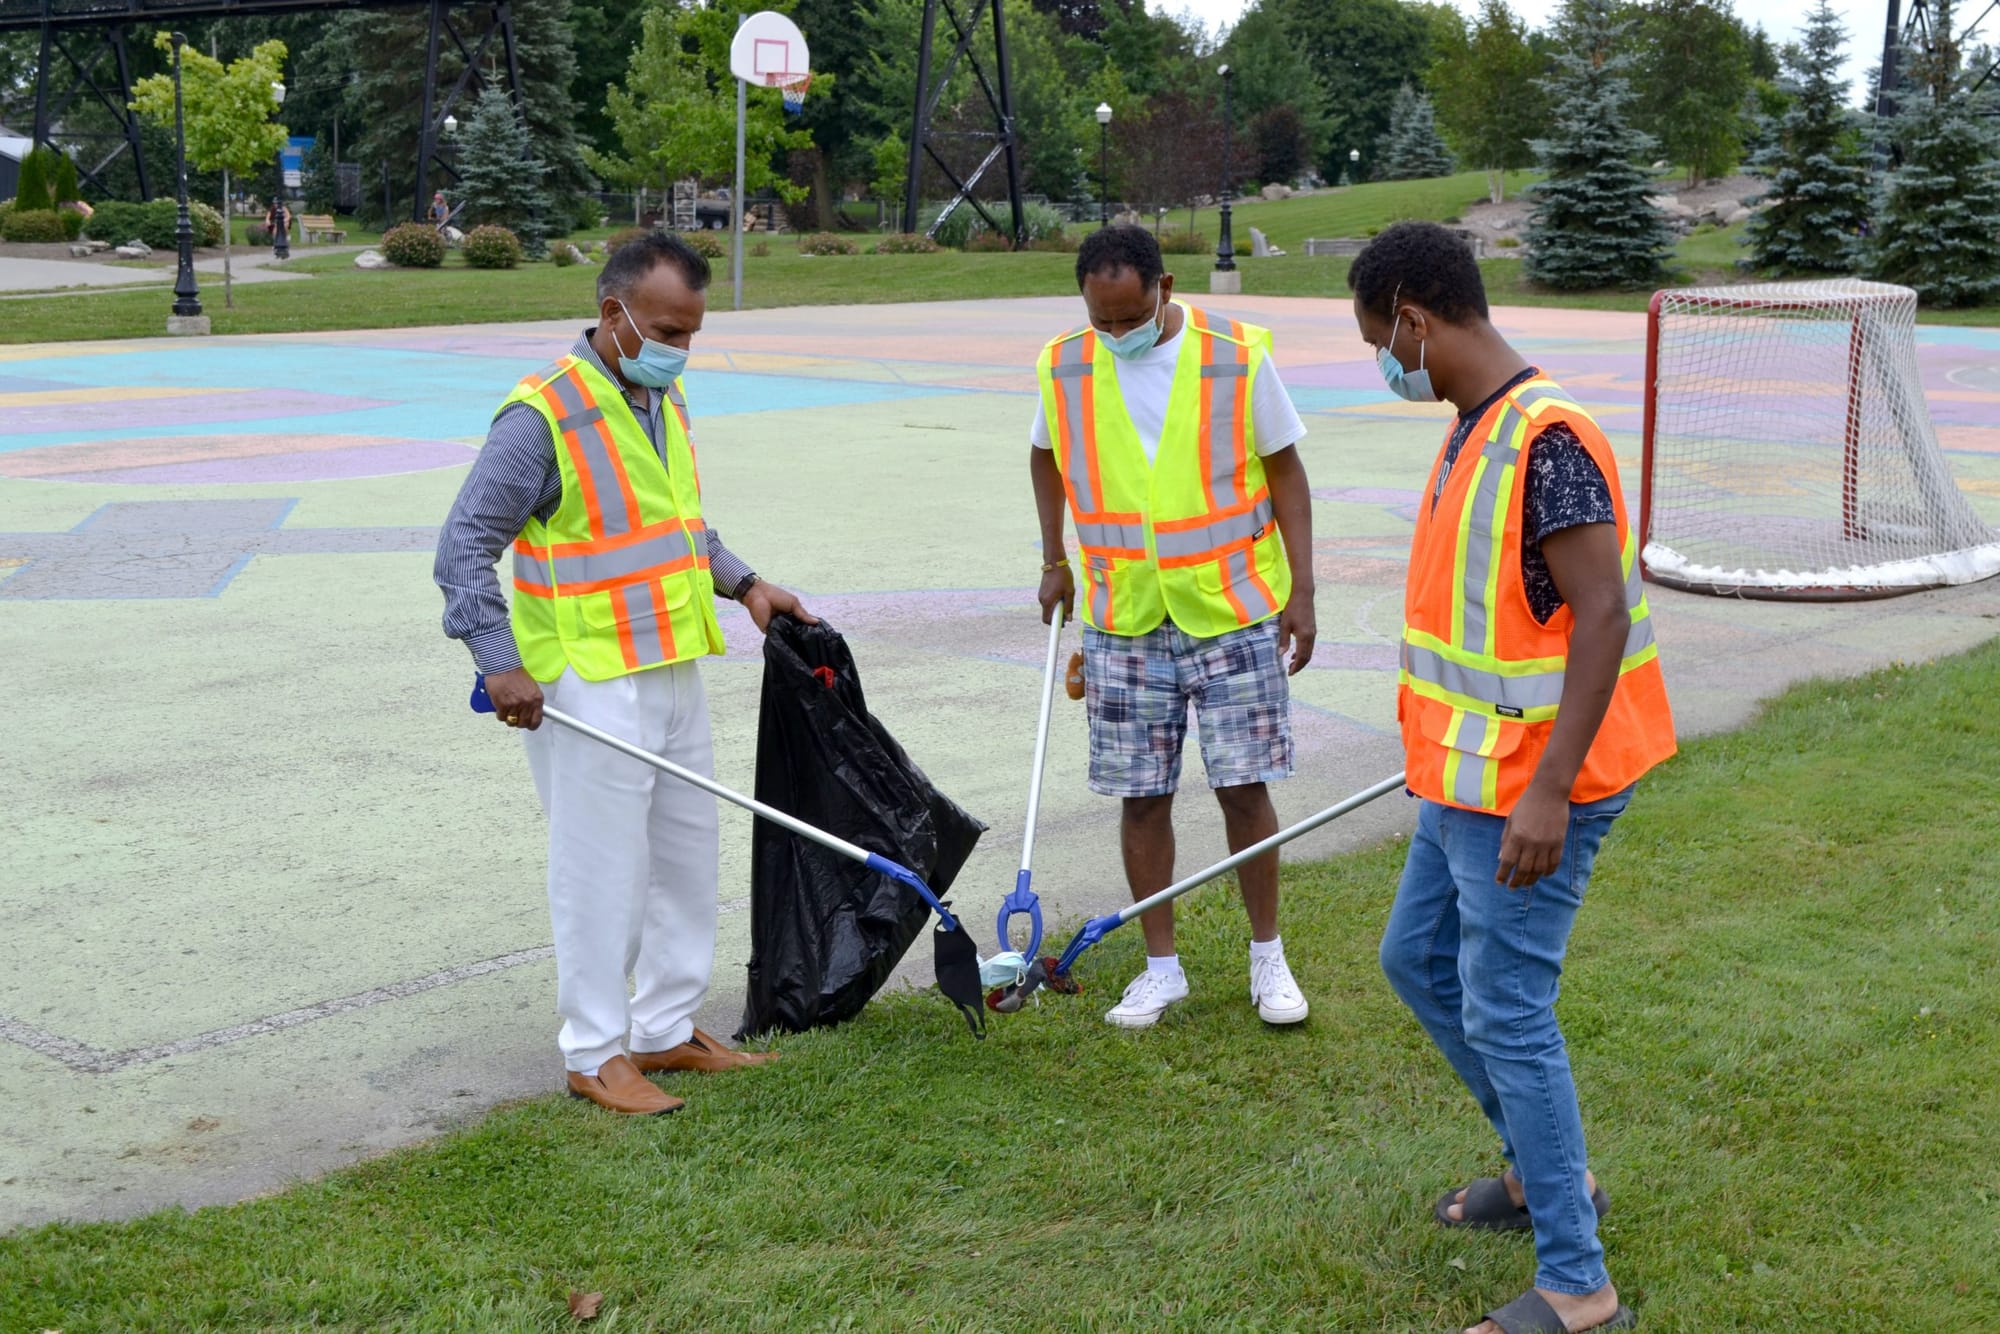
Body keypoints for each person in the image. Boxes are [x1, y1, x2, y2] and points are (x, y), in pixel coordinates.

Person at [1351, 222, 1675, 1334]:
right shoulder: (1472, 424)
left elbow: (1603, 614)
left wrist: (1549, 790)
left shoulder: (1546, 440)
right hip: (1466, 780)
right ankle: (1545, 1173)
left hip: (1535, 788)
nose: (1384, 363)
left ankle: (1579, 1284)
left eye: (1380, 342)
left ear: (1413, 318)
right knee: (1413, 959)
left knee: (1508, 1009)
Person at [434, 232, 814, 1116]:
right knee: (600, 872)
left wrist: (746, 585)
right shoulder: (541, 416)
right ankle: (594, 1051)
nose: (680, 351)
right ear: (614, 314)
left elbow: (678, 527)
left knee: (684, 858)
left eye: (692, 334)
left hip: (671, 662)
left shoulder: (659, 400)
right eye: (667, 332)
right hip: (586, 680)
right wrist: (499, 663)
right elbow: (462, 547)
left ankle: (664, 1027)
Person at [1030, 224, 1318, 1030]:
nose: (1117, 333)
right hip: (1124, 614)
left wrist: (1302, 590)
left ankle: (1268, 958)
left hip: (1233, 607)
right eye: (1102, 320)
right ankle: (1162, 968)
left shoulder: (1235, 354)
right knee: (1141, 796)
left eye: (1131, 317)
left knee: (1244, 788)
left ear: (1165, 287)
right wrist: (1053, 557)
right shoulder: (1064, 363)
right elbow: (1044, 456)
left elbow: (1286, 470)